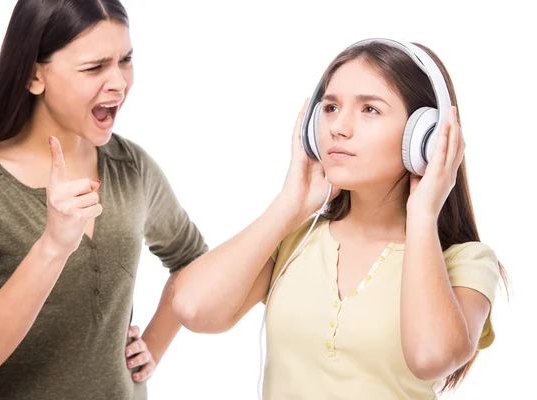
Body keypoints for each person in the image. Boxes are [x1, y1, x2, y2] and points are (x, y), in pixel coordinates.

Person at [171, 39, 508, 399]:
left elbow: (430, 357)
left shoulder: (467, 262)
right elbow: (192, 308)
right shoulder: (296, 239)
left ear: (424, 136)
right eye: (330, 107)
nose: (338, 127)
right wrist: (290, 204)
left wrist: (423, 216)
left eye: (370, 110)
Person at [0, 0, 207, 399]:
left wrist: (154, 345)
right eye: (94, 67)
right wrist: (54, 245)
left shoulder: (130, 166)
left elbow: (191, 259)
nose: (118, 82)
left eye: (125, 60)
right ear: (34, 75)